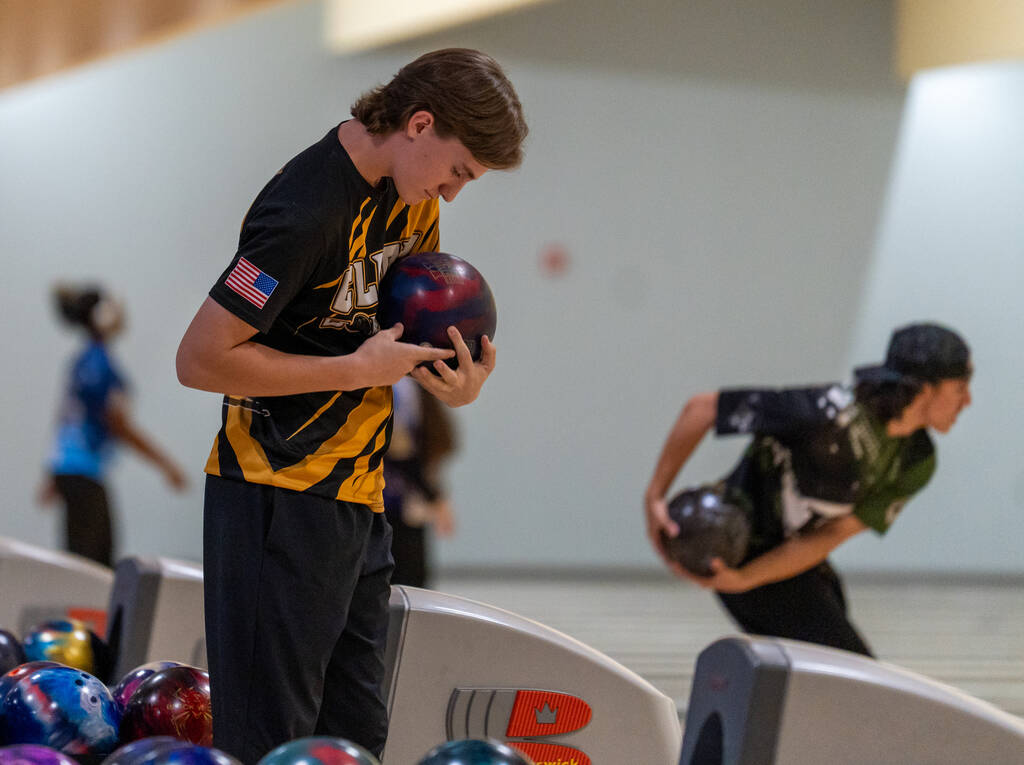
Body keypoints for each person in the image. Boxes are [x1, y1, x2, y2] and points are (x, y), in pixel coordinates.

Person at [175, 49, 527, 762]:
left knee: (354, 737)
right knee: (274, 738)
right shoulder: (303, 212)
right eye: (457, 171)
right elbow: (199, 359)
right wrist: (352, 369)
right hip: (275, 495)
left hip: (359, 501)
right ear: (419, 123)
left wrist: (454, 382)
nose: (452, 195)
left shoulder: (411, 198)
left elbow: (393, 337)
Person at [644, 323, 972, 657]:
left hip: (789, 568)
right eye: (961, 386)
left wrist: (747, 578)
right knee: (857, 681)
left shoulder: (917, 460)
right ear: (925, 389)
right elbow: (702, 409)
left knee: (836, 678)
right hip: (737, 557)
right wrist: (655, 496)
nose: (968, 400)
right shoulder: (824, 411)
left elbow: (828, 536)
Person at [39, 283, 188, 568]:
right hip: (83, 472)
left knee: (85, 560)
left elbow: (66, 416)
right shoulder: (99, 365)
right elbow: (118, 424)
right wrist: (165, 463)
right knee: (93, 567)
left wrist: (52, 471)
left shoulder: (83, 360)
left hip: (72, 471)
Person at [383, 376, 458, 588]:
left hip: (405, 510)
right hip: (384, 509)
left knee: (410, 589)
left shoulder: (412, 388)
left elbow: (411, 451)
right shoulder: (398, 386)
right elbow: (400, 449)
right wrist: (436, 497)